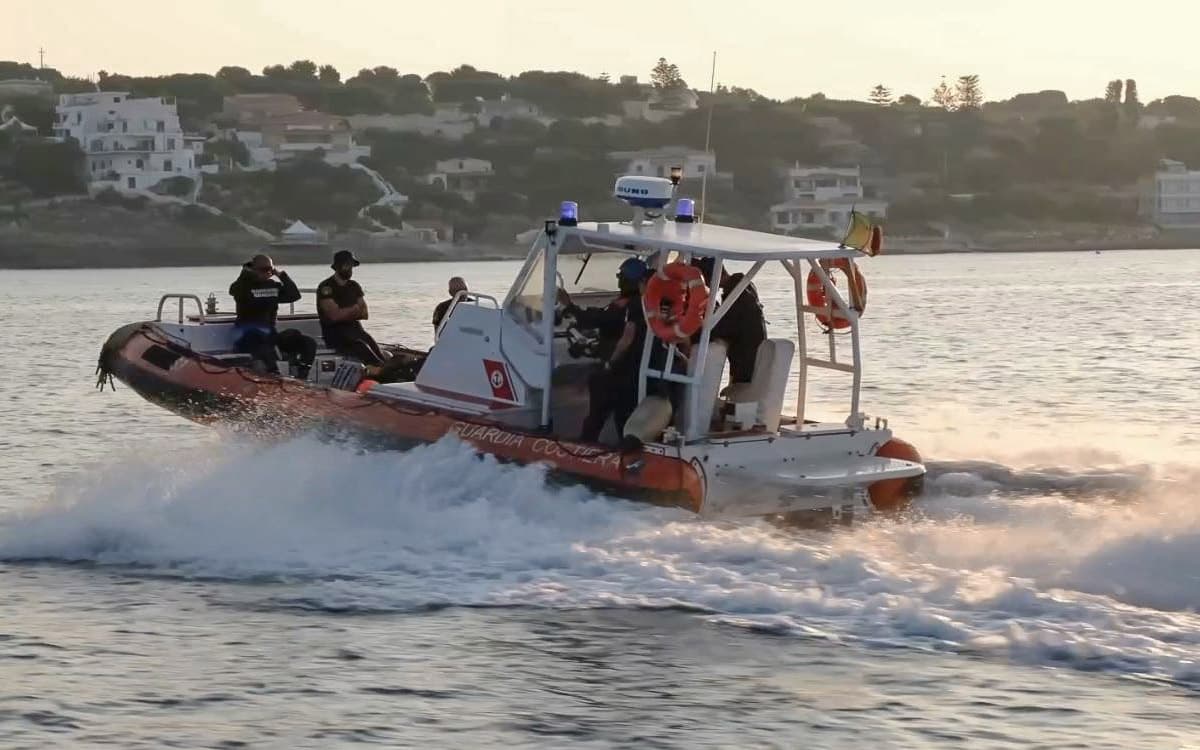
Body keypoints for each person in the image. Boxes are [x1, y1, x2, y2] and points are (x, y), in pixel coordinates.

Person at [557, 257, 648, 443]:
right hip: (634, 372)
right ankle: (626, 450)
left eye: (620, 277)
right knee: (624, 416)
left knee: (597, 415)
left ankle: (585, 448)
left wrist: (569, 306)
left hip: (616, 370)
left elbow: (597, 319)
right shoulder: (645, 304)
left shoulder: (626, 306)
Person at [228, 254, 316, 378]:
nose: (267, 273)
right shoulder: (244, 286)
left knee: (308, 342)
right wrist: (246, 273)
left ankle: (302, 375)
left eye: (269, 270)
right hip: (248, 335)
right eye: (263, 270)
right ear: (253, 270)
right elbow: (234, 290)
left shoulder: (272, 286)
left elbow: (294, 295)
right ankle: (275, 377)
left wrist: (281, 275)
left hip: (270, 334)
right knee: (265, 348)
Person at [693, 256, 766, 385]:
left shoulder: (736, 296)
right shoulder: (743, 286)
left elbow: (721, 328)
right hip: (754, 354)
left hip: (746, 361)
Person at [317, 250, 387, 367]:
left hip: (356, 330)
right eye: (346, 266)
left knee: (371, 344)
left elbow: (364, 313)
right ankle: (380, 370)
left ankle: (385, 369)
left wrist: (344, 312)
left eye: (351, 266)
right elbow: (334, 316)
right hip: (335, 333)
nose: (349, 269)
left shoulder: (354, 286)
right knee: (360, 346)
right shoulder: (327, 287)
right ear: (338, 266)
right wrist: (354, 309)